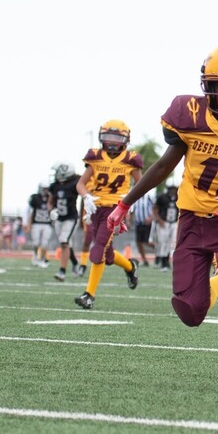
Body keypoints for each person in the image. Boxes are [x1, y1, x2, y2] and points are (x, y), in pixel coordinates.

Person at [104, 43, 218, 393]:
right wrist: (123, 204)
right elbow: (162, 167)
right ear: (207, 85)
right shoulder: (188, 115)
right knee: (190, 311)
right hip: (194, 219)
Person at [74, 120, 143, 309]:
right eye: (109, 137)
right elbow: (80, 184)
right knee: (108, 255)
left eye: (116, 137)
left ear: (125, 139)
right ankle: (130, 267)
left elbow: (143, 184)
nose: (112, 142)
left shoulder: (131, 160)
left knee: (99, 249)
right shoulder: (95, 157)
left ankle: (89, 295)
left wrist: (130, 200)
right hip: (97, 208)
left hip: (116, 209)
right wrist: (86, 197)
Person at [49, 162, 81, 282]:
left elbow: (84, 192)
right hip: (59, 218)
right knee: (66, 244)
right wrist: (51, 210)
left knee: (64, 242)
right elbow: (50, 201)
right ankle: (75, 263)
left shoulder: (74, 184)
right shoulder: (55, 186)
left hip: (71, 218)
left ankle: (62, 271)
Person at [24, 183, 54, 267]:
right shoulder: (35, 198)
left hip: (47, 224)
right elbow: (30, 211)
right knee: (36, 243)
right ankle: (35, 256)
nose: (46, 191)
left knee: (44, 243)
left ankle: (42, 259)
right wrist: (28, 224)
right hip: (36, 223)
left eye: (47, 189)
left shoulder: (51, 197)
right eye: (44, 189)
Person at [152, 184, 179, 270]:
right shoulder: (162, 197)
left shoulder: (179, 197)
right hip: (164, 222)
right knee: (162, 242)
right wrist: (159, 219)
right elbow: (154, 208)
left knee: (171, 243)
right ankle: (162, 261)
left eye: (174, 189)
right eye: (171, 189)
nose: (173, 191)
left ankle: (166, 261)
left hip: (174, 223)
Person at [131, 191, 156, 267]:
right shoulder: (135, 198)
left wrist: (150, 218)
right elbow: (132, 210)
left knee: (147, 241)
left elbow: (155, 208)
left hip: (147, 223)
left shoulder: (148, 197)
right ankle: (144, 260)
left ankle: (161, 252)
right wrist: (129, 221)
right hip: (138, 223)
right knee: (139, 242)